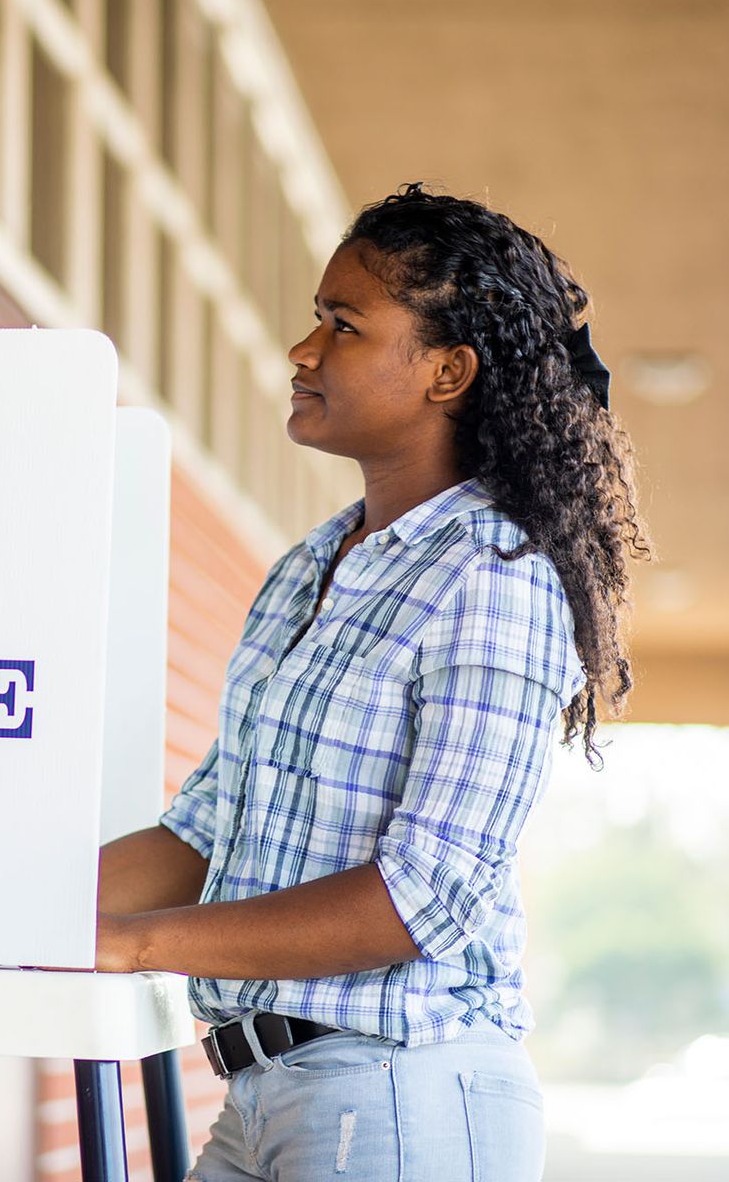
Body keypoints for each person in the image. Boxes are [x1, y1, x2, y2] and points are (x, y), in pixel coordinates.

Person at [94, 182, 650, 1180]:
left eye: (342, 326)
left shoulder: (494, 577)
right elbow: (207, 830)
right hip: (264, 1096)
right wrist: (16, 913)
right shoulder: (311, 566)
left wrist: (133, 945)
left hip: (401, 1098)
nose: (303, 353)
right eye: (315, 320)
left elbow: (421, 899)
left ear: (447, 371)